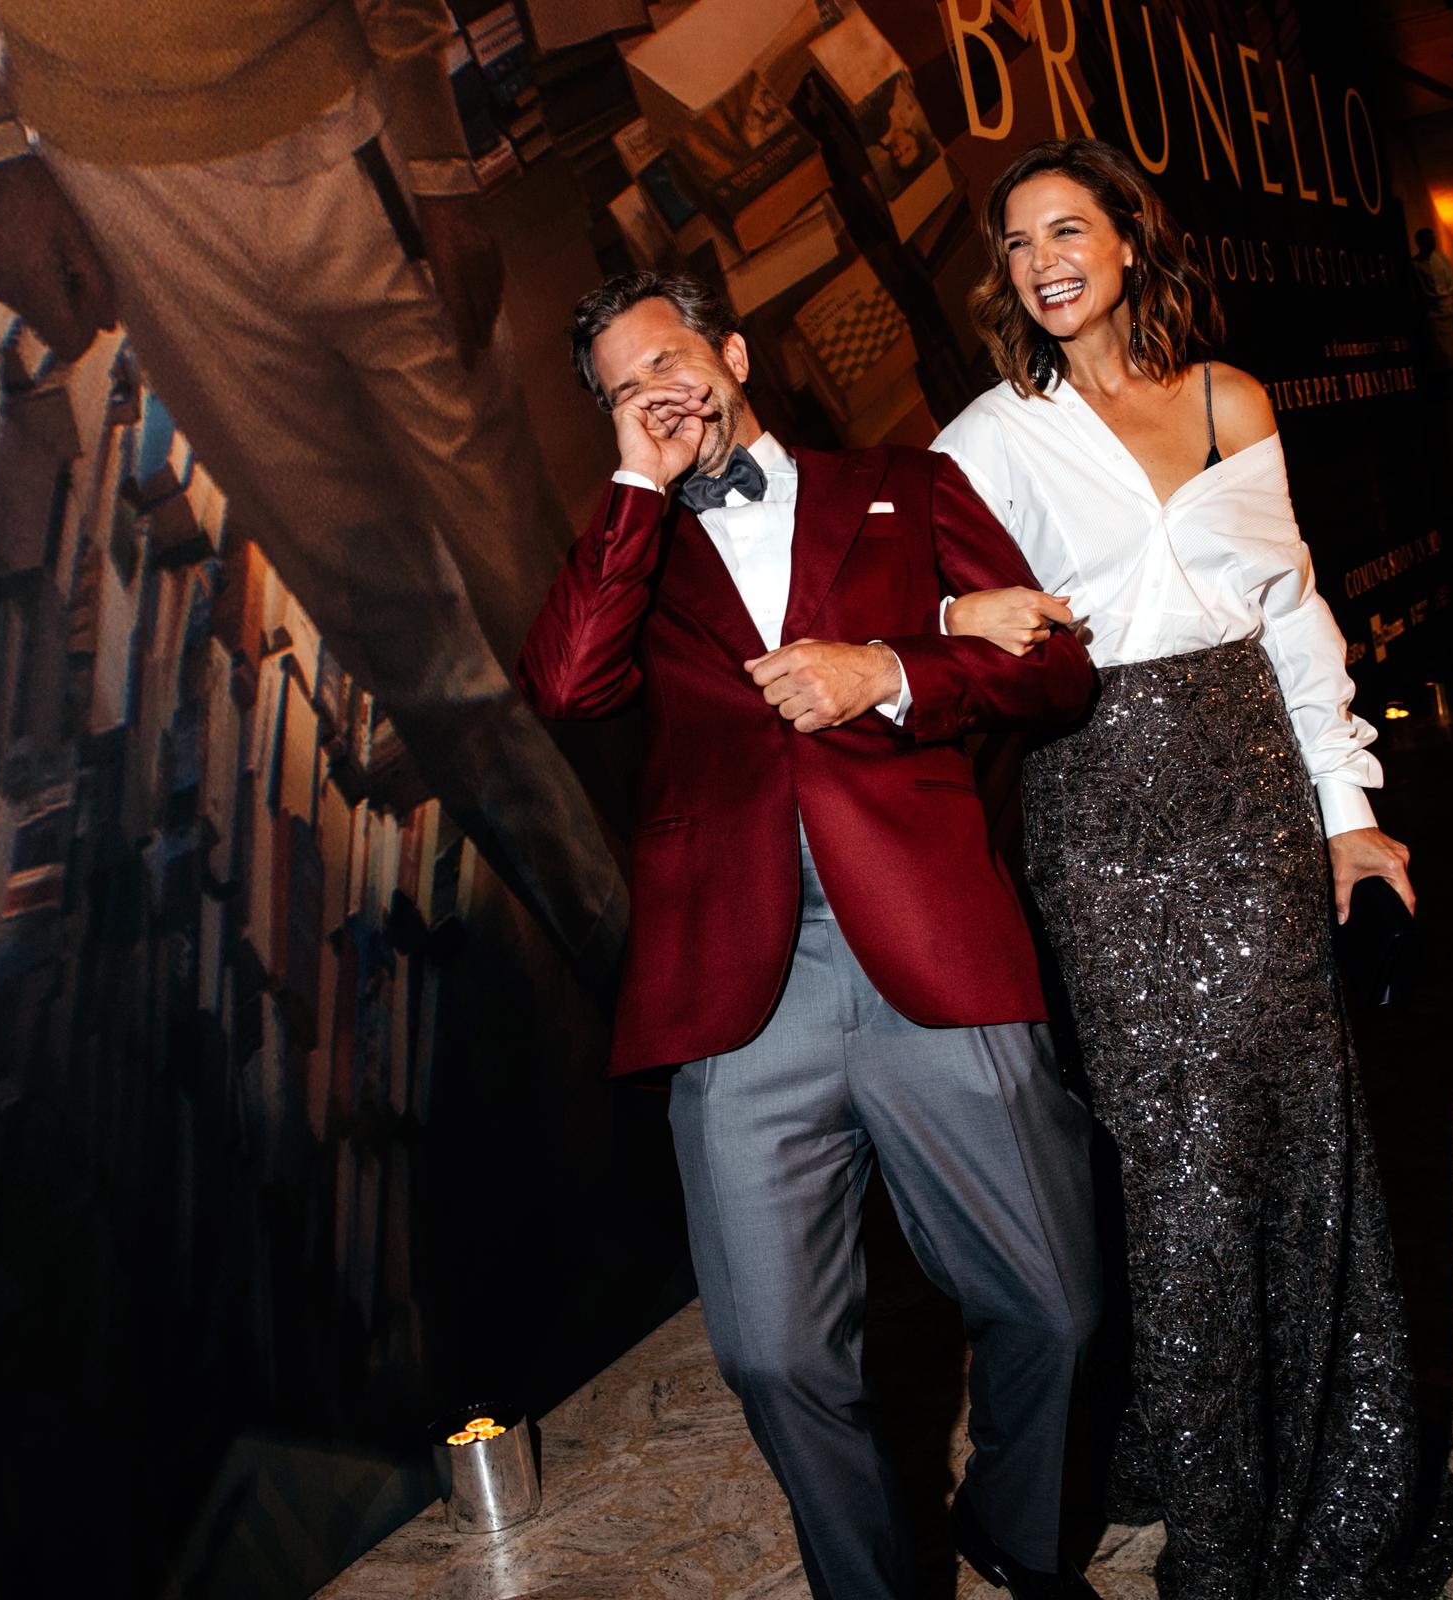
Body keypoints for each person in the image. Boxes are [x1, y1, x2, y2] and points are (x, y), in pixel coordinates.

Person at [928, 139, 1453, 1598]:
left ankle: (1330, 1456)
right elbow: (911, 595)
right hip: (1100, 806)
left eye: (1068, 229)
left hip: (1253, 793)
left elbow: (1291, 613)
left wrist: (1347, 813)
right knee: (1172, 1155)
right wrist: (959, 614)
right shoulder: (988, 438)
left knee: (1299, 1123)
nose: (1044, 261)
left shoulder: (1231, 397)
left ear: (1127, 238)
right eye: (1017, 242)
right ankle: (1215, 1509)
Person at [0, 0, 628, 989]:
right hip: (126, 183)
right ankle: (612, 945)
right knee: (390, 625)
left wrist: (435, 149)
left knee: (518, 559)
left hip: (339, 108)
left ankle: (706, 862)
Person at [522, 271, 1103, 1599]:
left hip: (932, 952)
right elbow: (563, 686)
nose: (656, 392)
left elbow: (1053, 663)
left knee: (1057, 1307)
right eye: (622, 388)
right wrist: (637, 486)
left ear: (732, 353)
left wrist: (887, 669)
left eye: (669, 359)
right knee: (774, 1355)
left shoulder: (904, 484)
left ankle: (1017, 1535)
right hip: (738, 991)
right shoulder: (629, 546)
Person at [1409, 227, 1453, 393]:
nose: (1431, 242)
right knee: (1438, 354)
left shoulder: (1442, 259)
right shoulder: (1415, 265)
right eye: (1427, 239)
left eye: (1432, 239)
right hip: (1430, 311)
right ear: (1419, 242)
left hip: (1447, 308)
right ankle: (1444, 390)